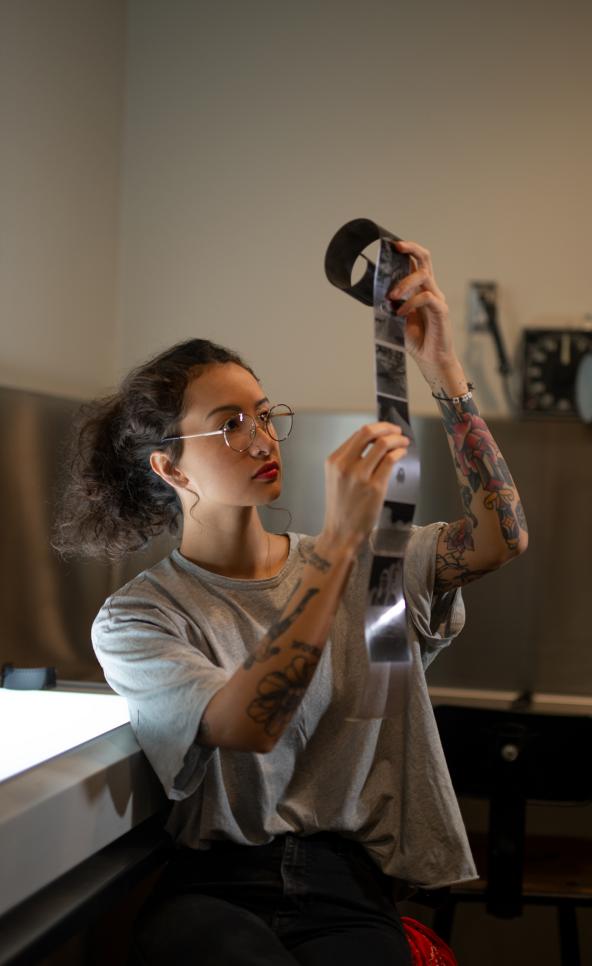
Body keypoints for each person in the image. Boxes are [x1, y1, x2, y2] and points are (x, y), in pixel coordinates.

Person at [54, 240, 528, 965]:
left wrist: (444, 369)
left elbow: (503, 538)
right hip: (215, 892)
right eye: (229, 424)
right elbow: (253, 722)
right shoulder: (141, 618)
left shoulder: (374, 570)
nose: (261, 436)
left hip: (350, 892)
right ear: (168, 465)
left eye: (264, 413)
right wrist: (338, 542)